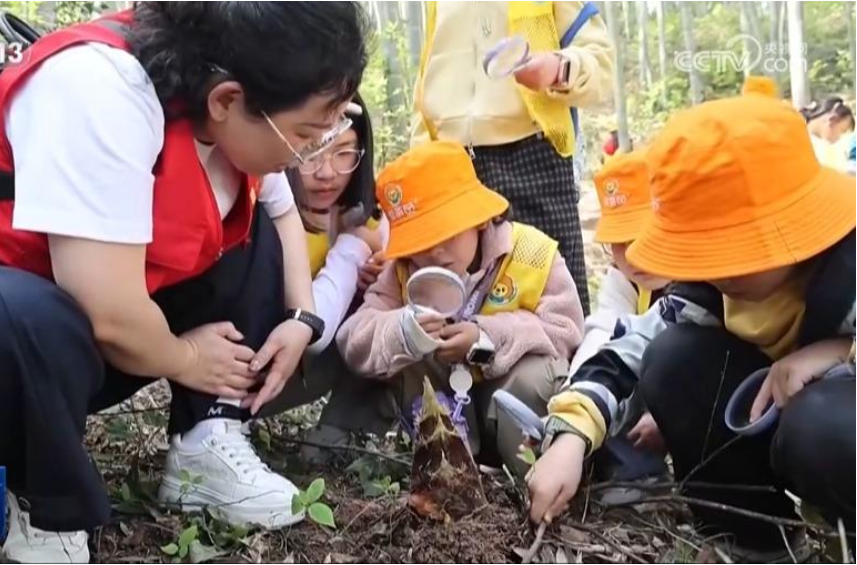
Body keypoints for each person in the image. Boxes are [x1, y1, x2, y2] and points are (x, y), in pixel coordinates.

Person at [0, 3, 368, 562]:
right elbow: (109, 312)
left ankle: (207, 440)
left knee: (239, 231)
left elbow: (278, 212)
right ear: (228, 100)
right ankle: (18, 499)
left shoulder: (226, 94)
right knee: (12, 313)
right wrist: (185, 358)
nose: (305, 154)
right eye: (305, 135)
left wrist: (301, 317)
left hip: (70, 343)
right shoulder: (100, 89)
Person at [527, 95, 855, 560]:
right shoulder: (708, 290)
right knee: (672, 357)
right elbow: (628, 354)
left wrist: (838, 351)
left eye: (729, 250)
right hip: (769, 437)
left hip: (835, 432)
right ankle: (753, 541)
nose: (715, 270)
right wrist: (570, 438)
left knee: (820, 424)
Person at [336, 140, 583, 476]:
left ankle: (534, 472)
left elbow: (567, 332)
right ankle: (447, 470)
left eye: (446, 233)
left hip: (512, 412)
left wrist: (486, 337)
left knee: (535, 374)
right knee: (405, 354)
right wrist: (405, 331)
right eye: (421, 240)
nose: (434, 252)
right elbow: (353, 338)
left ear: (480, 219)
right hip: (446, 418)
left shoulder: (532, 254)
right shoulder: (403, 271)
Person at [411, 1, 615, 315]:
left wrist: (558, 68)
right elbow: (426, 83)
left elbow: (600, 61)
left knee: (552, 304)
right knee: (458, 307)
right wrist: (419, 160)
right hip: (450, 168)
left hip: (532, 156)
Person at [256, 94, 393, 449]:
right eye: (311, 152)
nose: (327, 172)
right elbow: (313, 329)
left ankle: (344, 432)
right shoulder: (262, 214)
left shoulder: (376, 215)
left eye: (344, 152)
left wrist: (386, 280)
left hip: (324, 364)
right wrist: (352, 250)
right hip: (256, 365)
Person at [568, 148, 670, 503]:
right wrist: (572, 396)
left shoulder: (702, 280)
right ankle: (633, 472)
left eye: (644, 235)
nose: (633, 254)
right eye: (621, 242)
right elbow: (605, 333)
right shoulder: (625, 280)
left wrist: (666, 415)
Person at [802, 97, 856, 172]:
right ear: (832, 120)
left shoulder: (815, 142)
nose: (838, 138)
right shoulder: (802, 141)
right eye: (842, 131)